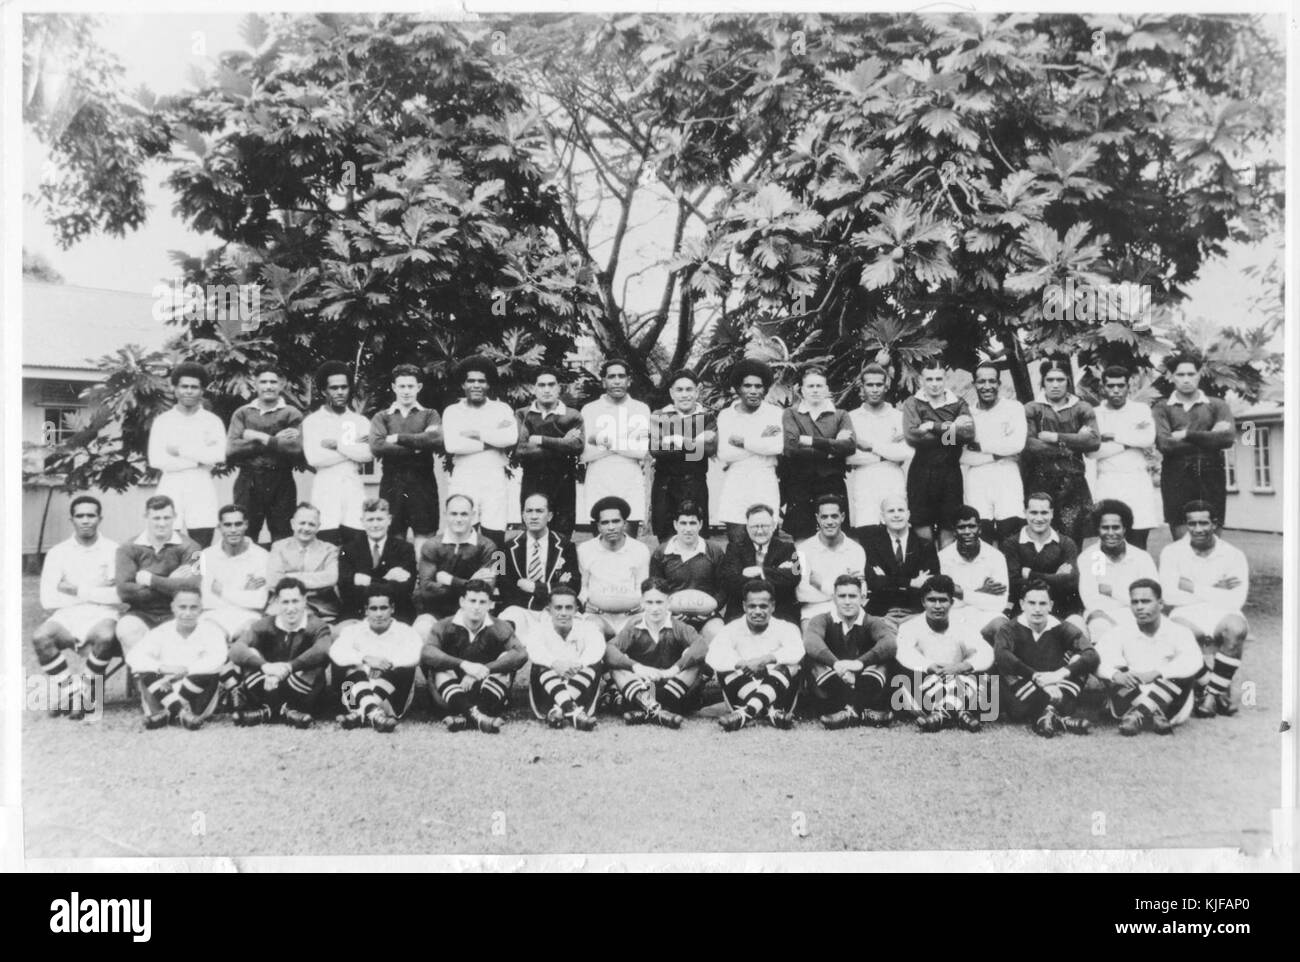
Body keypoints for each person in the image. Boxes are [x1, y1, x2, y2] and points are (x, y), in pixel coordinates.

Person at [33, 495, 123, 719]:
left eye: (91, 515)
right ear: (71, 519)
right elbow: (48, 599)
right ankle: (72, 693)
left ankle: (86, 693)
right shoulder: (57, 552)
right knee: (41, 637)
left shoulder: (114, 550)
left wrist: (74, 589)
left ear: (100, 518)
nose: (85, 520)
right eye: (80, 515)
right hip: (67, 613)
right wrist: (96, 590)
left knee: (105, 635)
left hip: (102, 613)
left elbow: (117, 596)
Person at [1159, 500, 1250, 718]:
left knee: (1236, 627)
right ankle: (1217, 688)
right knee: (1182, 632)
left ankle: (1209, 697)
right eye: (1192, 524)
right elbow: (1169, 595)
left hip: (1221, 612)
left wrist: (1190, 586)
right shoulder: (1172, 552)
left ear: (1215, 524)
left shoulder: (1233, 555)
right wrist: (1214, 589)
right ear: (1186, 525)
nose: (1198, 529)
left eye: (1203, 523)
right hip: (1186, 612)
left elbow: (1236, 600)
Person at [419, 580, 528, 734]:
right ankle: (477, 716)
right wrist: (463, 664)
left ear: (490, 604)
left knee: (506, 660)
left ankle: (468, 717)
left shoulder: (500, 626)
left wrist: (485, 669)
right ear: (462, 602)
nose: (476, 607)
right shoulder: (444, 625)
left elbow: (520, 654)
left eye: (482, 602)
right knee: (440, 666)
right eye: (472, 601)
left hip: (487, 694)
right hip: (451, 693)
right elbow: (427, 652)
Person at [1096, 579, 1203, 736]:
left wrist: (1158, 673)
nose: (1139, 607)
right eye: (1135, 602)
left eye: (1146, 601)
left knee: (1182, 670)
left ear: (1160, 604)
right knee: (1114, 671)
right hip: (1130, 699)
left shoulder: (1179, 631)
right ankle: (1146, 713)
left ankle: (1138, 714)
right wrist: (1116, 675)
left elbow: (1194, 660)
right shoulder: (1120, 631)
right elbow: (1098, 659)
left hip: (1169, 704)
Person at [993, 580, 1098, 738]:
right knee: (1005, 665)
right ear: (1022, 604)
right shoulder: (1009, 629)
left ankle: (1047, 717)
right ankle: (1057, 716)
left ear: (1050, 605)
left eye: (1043, 603)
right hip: (1025, 694)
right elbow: (1001, 656)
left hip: (1056, 686)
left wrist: (1060, 674)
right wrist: (1036, 677)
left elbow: (1091, 654)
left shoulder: (1060, 627)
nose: (1037, 609)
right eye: (1032, 603)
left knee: (1079, 659)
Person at [228, 578, 334, 729]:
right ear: (277, 602)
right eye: (285, 602)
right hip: (269, 685)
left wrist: (289, 667)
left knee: (315, 665)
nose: (290, 608)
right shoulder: (264, 625)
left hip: (300, 694)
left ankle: (269, 712)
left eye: (295, 601)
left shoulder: (316, 625)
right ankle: (282, 711)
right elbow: (236, 649)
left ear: (304, 600)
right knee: (249, 654)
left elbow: (324, 649)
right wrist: (265, 667)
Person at [894, 575, 993, 733]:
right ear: (923, 602)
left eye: (943, 600)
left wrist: (962, 666)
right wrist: (929, 666)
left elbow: (986, 652)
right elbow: (903, 653)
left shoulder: (963, 624)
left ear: (952, 602)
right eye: (932, 600)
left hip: (958, 680)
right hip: (927, 683)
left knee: (983, 678)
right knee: (904, 680)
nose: (938, 606)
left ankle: (941, 715)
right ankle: (960, 713)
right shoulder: (910, 627)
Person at [1152, 354, 1236, 541]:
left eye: (1191, 373)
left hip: (1211, 474)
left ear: (1200, 374)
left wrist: (1186, 435)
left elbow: (1228, 438)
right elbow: (1166, 445)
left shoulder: (1217, 405)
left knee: (1212, 540)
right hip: (1176, 477)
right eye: (1180, 374)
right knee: (1182, 542)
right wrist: (1211, 436)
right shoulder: (1162, 407)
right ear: (1172, 376)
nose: (1186, 379)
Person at [605, 578, 709, 728]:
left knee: (695, 660)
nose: (655, 608)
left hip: (672, 688)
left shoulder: (678, 627)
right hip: (642, 687)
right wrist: (637, 667)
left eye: (659, 602)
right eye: (650, 602)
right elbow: (609, 649)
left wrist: (674, 669)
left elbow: (702, 646)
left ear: (668, 602)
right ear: (642, 603)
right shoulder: (634, 627)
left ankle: (649, 709)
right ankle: (657, 710)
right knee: (616, 665)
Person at [707, 580, 805, 732]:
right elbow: (713, 655)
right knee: (725, 667)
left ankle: (746, 713)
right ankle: (771, 713)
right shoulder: (731, 629)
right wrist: (742, 664)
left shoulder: (786, 627)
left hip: (779, 693)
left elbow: (798, 651)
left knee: (791, 665)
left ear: (772, 606)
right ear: (744, 606)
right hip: (742, 689)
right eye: (752, 606)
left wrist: (765, 660)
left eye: (763, 606)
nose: (758, 611)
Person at [442, 356, 519, 546]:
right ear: (463, 384)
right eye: (471, 381)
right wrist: (492, 439)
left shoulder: (501, 409)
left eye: (481, 381)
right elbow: (452, 445)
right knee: (463, 529)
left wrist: (476, 433)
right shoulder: (453, 411)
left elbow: (509, 438)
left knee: (495, 532)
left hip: (493, 475)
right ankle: (465, 574)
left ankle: (498, 572)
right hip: (464, 475)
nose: (476, 385)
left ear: (488, 384)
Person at [803, 575, 897, 729]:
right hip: (835, 683)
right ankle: (860, 712)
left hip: (862, 682)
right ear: (834, 598)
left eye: (852, 596)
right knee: (811, 658)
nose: (847, 601)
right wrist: (836, 664)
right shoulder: (822, 619)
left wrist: (859, 663)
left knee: (886, 657)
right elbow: (810, 641)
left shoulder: (872, 621)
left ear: (863, 597)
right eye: (842, 596)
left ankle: (850, 712)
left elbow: (890, 643)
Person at [125, 587, 227, 730]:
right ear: (173, 607)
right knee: (145, 668)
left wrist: (185, 671)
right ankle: (87, 708)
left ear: (201, 609)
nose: (187, 613)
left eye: (193, 608)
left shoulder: (211, 631)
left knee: (208, 672)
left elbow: (218, 658)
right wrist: (162, 668)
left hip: (194, 696)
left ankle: (169, 714)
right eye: (182, 607)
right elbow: (133, 656)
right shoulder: (162, 631)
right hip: (162, 693)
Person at [148, 361, 225, 548]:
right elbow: (157, 460)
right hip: (171, 484)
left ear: (202, 391)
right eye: (184, 386)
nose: (189, 391)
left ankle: (195, 576)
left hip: (201, 485)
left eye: (194, 387)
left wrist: (180, 451)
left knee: (200, 544)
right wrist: (198, 460)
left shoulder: (212, 421)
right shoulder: (163, 421)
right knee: (167, 539)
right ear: (175, 389)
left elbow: (217, 456)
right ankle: (169, 577)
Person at [1021, 359, 1099, 545]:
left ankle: (1070, 574)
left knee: (1071, 540)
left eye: (1060, 379)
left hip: (1073, 483)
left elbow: (1094, 441)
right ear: (1043, 382)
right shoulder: (1032, 408)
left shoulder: (1081, 408)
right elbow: (1030, 444)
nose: (1055, 385)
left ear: (1068, 382)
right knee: (1040, 539)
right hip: (1039, 482)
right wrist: (1073, 443)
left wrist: (1055, 437)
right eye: (1050, 380)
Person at [330, 583, 424, 733]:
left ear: (392, 608)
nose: (379, 614)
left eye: (383, 608)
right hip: (352, 700)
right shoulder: (353, 630)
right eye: (373, 608)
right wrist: (365, 658)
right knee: (351, 665)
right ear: (366, 610)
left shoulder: (405, 632)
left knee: (401, 666)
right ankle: (374, 713)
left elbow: (416, 655)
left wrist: (386, 663)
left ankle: (362, 713)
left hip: (391, 700)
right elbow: (336, 652)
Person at [115, 495, 202, 655]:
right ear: (146, 517)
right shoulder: (127, 548)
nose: (162, 523)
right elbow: (124, 591)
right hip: (140, 613)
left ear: (175, 517)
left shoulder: (194, 548)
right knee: (128, 631)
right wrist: (171, 583)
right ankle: (140, 679)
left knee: (179, 647)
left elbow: (193, 587)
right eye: (156, 518)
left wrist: (151, 580)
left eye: (167, 518)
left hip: (179, 613)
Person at [368, 364, 442, 551]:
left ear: (419, 387)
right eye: (402, 386)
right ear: (394, 387)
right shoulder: (382, 416)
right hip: (392, 484)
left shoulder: (430, 414)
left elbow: (434, 439)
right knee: (394, 541)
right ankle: (399, 580)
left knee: (424, 542)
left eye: (410, 386)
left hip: (423, 484)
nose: (406, 391)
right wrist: (417, 447)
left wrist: (398, 439)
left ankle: (423, 580)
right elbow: (377, 446)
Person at [225, 365, 303, 544]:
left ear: (281, 384)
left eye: (273, 382)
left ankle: (280, 573)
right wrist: (275, 441)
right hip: (248, 479)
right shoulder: (243, 413)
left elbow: (296, 449)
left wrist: (260, 437)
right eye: (264, 382)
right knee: (245, 534)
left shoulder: (291, 413)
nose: (268, 386)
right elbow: (232, 449)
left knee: (283, 535)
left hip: (281, 479)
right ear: (255, 384)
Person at [902, 359, 973, 547]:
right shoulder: (913, 403)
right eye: (930, 379)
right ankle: (928, 572)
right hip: (921, 472)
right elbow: (913, 437)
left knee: (949, 527)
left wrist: (933, 426)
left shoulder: (958, 403)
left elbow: (968, 434)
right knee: (921, 528)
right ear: (921, 380)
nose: (934, 384)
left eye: (939, 379)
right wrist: (951, 430)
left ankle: (946, 574)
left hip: (950, 473)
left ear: (945, 379)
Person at [302, 361, 373, 545]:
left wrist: (338, 445)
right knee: (327, 543)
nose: (340, 392)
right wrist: (351, 448)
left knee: (355, 543)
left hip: (353, 488)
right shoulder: (313, 421)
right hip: (325, 488)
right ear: (324, 391)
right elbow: (315, 457)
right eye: (334, 388)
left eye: (344, 387)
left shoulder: (360, 421)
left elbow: (367, 455)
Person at [715, 359, 785, 547]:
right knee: (737, 543)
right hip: (736, 482)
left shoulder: (775, 414)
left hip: (765, 480)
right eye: (747, 386)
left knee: (767, 542)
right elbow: (725, 454)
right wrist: (760, 439)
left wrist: (743, 441)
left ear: (765, 389)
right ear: (738, 388)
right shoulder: (726, 415)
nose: (753, 391)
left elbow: (777, 447)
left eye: (758, 386)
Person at [781, 365, 855, 540]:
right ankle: (800, 569)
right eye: (810, 386)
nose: (815, 390)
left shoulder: (840, 415)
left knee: (834, 534)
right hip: (800, 483)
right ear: (802, 390)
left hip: (832, 482)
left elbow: (850, 446)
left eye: (819, 386)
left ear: (827, 389)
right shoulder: (791, 414)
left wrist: (809, 440)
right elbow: (791, 448)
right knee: (801, 537)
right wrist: (832, 450)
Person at [496, 492, 581, 644]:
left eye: (539, 511)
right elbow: (503, 585)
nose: (533, 516)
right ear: (523, 515)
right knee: (506, 623)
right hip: (520, 609)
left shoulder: (566, 545)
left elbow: (573, 585)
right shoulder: (505, 547)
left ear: (549, 516)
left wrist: (534, 587)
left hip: (552, 610)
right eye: (529, 511)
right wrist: (555, 586)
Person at [1089, 365, 1159, 549]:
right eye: (1110, 386)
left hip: (1137, 480)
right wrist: (1128, 442)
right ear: (1103, 387)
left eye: (1120, 385)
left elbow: (1147, 439)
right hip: (1108, 480)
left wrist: (1112, 437)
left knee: (1138, 539)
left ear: (1129, 386)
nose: (1116, 390)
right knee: (1108, 538)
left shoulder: (1141, 410)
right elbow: (1092, 451)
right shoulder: (1095, 414)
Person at [581, 358, 651, 538]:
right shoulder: (589, 410)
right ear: (603, 381)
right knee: (600, 544)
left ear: (629, 380)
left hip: (630, 482)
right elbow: (586, 454)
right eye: (612, 377)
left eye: (622, 376)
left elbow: (640, 450)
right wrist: (625, 442)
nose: (617, 381)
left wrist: (604, 441)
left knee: (628, 545)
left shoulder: (640, 409)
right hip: (598, 482)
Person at [960, 361, 1026, 544]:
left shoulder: (1014, 408)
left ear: (999, 383)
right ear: (974, 384)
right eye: (981, 382)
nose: (987, 386)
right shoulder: (964, 413)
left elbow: (1017, 444)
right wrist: (998, 453)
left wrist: (979, 446)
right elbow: (957, 453)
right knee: (981, 535)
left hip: (1007, 478)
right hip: (977, 482)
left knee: (1011, 535)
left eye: (992, 381)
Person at [515, 367, 583, 537]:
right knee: (532, 532)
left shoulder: (572, 415)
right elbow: (521, 449)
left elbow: (577, 446)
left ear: (559, 388)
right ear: (534, 388)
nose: (546, 389)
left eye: (551, 385)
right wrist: (562, 444)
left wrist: (540, 439)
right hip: (532, 479)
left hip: (563, 480)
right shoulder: (523, 414)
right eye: (542, 385)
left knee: (563, 534)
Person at [648, 369, 717, 540]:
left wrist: (674, 440)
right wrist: (695, 441)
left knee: (697, 540)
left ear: (697, 391)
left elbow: (709, 449)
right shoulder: (659, 416)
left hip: (696, 486)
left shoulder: (707, 417)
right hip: (665, 488)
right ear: (671, 393)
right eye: (679, 390)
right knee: (666, 541)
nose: (684, 395)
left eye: (689, 389)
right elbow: (657, 450)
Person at [524, 585, 604, 731]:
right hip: (547, 691)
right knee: (541, 664)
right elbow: (533, 650)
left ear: (575, 610)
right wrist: (555, 664)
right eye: (558, 608)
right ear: (549, 610)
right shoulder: (539, 629)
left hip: (580, 687)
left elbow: (598, 648)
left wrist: (579, 664)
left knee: (594, 663)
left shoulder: (587, 627)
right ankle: (571, 710)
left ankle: (560, 710)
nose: (563, 613)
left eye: (568, 608)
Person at [1078, 499, 1157, 645]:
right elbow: (1092, 601)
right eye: (1105, 528)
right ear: (1097, 529)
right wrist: (1130, 597)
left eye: (1116, 527)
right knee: (1100, 627)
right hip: (1102, 616)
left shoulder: (1141, 557)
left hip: (1137, 614)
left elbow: (1151, 597)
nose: (1110, 533)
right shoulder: (1091, 557)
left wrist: (1112, 591)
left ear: (1125, 528)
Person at [845, 363, 910, 534]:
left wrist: (871, 446)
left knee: (895, 534)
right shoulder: (851, 418)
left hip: (893, 482)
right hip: (864, 484)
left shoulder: (898, 417)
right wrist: (887, 453)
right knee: (867, 535)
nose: (874, 389)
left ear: (886, 386)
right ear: (862, 387)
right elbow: (849, 457)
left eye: (879, 385)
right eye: (870, 385)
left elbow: (905, 452)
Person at [649, 500, 726, 641]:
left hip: (707, 617)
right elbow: (655, 591)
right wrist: (669, 612)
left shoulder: (714, 551)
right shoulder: (661, 553)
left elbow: (723, 589)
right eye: (683, 523)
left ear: (700, 524)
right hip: (672, 616)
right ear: (675, 524)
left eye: (693, 523)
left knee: (718, 634)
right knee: (659, 638)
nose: (688, 529)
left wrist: (711, 610)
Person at [414, 493, 499, 620]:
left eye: (464, 514)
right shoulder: (431, 545)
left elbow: (486, 590)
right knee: (423, 627)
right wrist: (470, 583)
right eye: (454, 514)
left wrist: (450, 580)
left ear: (473, 515)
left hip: (474, 612)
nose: (458, 519)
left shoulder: (489, 546)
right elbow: (426, 589)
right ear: (445, 515)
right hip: (436, 611)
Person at [577, 496, 651, 637]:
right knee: (592, 629)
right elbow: (584, 586)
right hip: (598, 614)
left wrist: (639, 605)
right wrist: (585, 602)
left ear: (624, 523)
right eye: (605, 523)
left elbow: (642, 587)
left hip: (630, 615)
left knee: (642, 630)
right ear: (598, 526)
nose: (611, 527)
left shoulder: (639, 549)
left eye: (616, 521)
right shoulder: (585, 549)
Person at [999, 492, 1081, 619]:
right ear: (1025, 512)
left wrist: (1031, 575)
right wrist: (1055, 577)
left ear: (1052, 513)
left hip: (1059, 609)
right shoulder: (1012, 544)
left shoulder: (1066, 543)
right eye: (1033, 512)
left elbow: (1071, 583)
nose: (1039, 518)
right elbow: (1013, 584)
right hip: (1024, 610)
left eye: (1044, 513)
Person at [859, 495, 939, 624]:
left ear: (908, 515)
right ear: (882, 517)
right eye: (891, 511)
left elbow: (929, 584)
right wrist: (911, 582)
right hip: (881, 613)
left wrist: (887, 580)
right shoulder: (870, 545)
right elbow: (874, 582)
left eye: (900, 510)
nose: (896, 515)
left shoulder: (925, 545)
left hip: (914, 612)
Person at [337, 498, 417, 624]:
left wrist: (367, 580)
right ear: (362, 521)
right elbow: (346, 590)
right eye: (370, 520)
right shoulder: (349, 549)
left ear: (389, 520)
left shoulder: (404, 549)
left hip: (396, 614)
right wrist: (386, 579)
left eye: (379, 519)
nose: (375, 525)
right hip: (357, 613)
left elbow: (405, 590)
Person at [717, 503, 801, 624]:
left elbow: (794, 577)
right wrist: (776, 573)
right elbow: (730, 582)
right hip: (741, 613)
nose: (760, 531)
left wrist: (760, 571)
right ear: (747, 528)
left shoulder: (788, 548)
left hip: (779, 613)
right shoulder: (734, 549)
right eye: (755, 526)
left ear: (773, 526)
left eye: (765, 526)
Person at [198, 504, 270, 643]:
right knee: (210, 637)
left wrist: (222, 591)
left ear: (246, 525)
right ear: (219, 527)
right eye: (227, 525)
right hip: (213, 615)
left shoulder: (262, 556)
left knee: (249, 637)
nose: (233, 530)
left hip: (249, 616)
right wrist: (244, 592)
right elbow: (207, 600)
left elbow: (259, 601)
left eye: (238, 524)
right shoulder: (205, 555)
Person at [936, 506, 1010, 642]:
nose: (967, 532)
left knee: (1003, 627)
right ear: (954, 531)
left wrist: (960, 593)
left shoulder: (996, 557)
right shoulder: (942, 558)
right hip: (954, 617)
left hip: (986, 616)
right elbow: (942, 603)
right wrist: (982, 591)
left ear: (980, 528)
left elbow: (999, 603)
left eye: (971, 526)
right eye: (961, 527)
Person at [795, 495, 866, 626]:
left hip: (849, 611)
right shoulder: (801, 550)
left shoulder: (857, 550)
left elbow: (862, 591)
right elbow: (801, 592)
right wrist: (844, 590)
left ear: (842, 517)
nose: (829, 522)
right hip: (813, 611)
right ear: (817, 518)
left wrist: (821, 584)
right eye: (824, 517)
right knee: (812, 644)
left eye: (834, 516)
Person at [266, 503, 339, 621]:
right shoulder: (279, 547)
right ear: (293, 524)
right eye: (302, 523)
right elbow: (274, 581)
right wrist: (314, 582)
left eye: (311, 524)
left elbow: (331, 578)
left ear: (318, 526)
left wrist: (290, 576)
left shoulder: (329, 550)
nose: (306, 528)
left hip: (319, 607)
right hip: (285, 605)